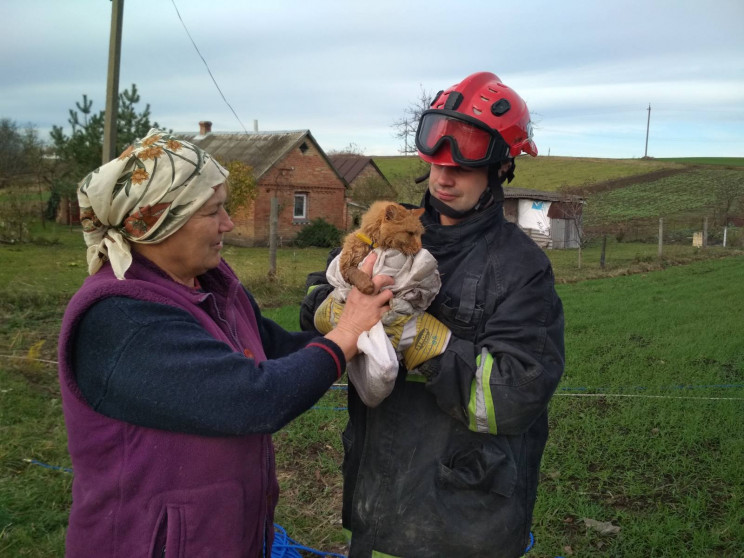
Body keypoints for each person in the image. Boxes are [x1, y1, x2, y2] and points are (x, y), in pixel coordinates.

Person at [57, 129, 393, 557]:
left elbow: (273, 344)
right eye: (213, 211)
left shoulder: (210, 285)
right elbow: (253, 398)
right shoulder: (121, 318)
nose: (228, 224)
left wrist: (369, 336)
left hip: (222, 538)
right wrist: (345, 335)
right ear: (161, 221)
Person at [301, 72, 565, 557]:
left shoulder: (521, 268)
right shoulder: (386, 227)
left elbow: (514, 394)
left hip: (466, 520)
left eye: (461, 169)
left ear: (500, 169)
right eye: (437, 163)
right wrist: (337, 309)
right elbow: (315, 296)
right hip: (375, 506)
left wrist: (418, 339)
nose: (444, 178)